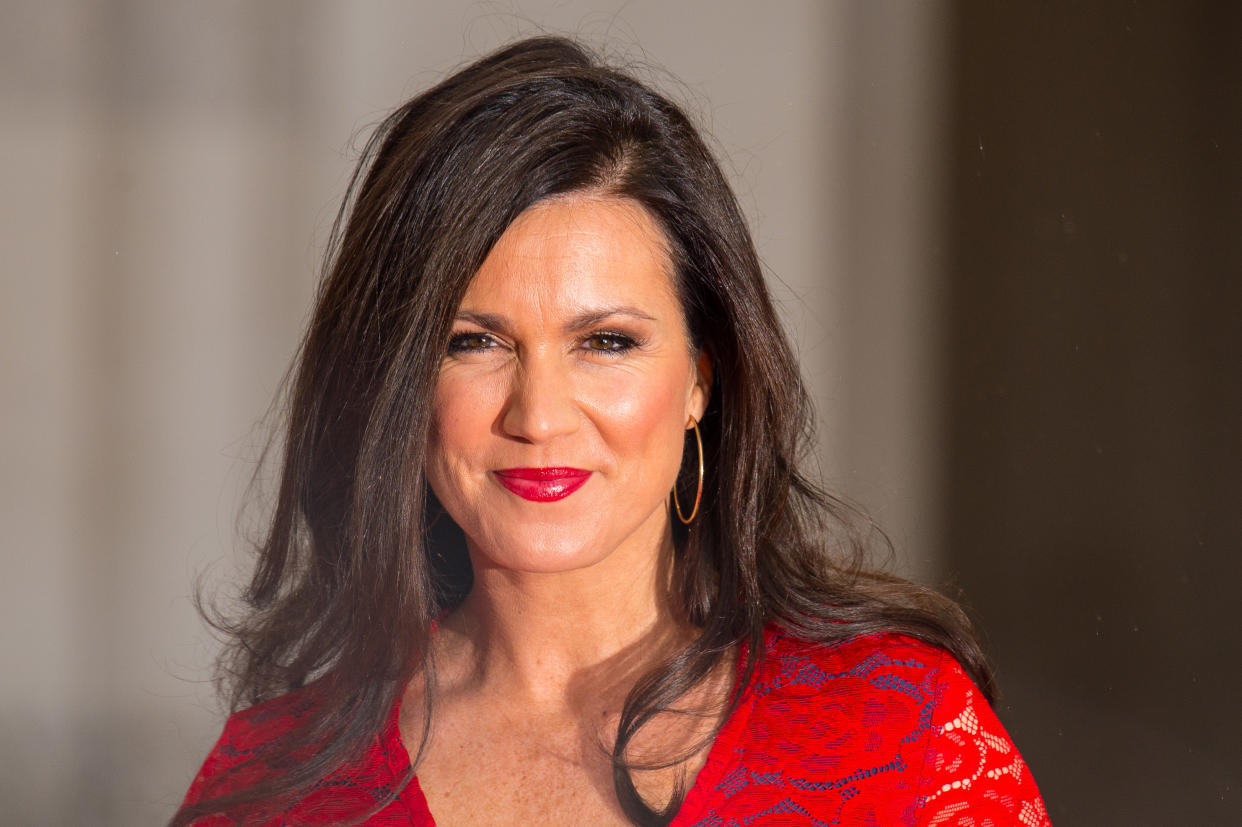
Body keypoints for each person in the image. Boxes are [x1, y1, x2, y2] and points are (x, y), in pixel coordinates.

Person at [174, 36, 1050, 826]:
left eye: (606, 342)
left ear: (703, 379)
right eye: (473, 341)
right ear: (399, 381)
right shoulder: (277, 782)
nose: (540, 414)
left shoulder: (900, 739)